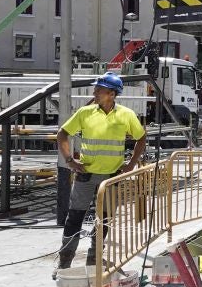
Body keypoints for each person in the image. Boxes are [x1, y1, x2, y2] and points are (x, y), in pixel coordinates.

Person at [56, 73, 147, 270]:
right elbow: (62, 134)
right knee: (74, 219)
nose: (94, 92)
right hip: (85, 176)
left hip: (112, 177)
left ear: (112, 94)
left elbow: (141, 138)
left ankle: (94, 259)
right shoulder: (85, 113)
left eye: (99, 90)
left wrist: (131, 164)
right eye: (96, 89)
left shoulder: (126, 115)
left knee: (104, 220)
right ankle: (64, 263)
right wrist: (69, 160)